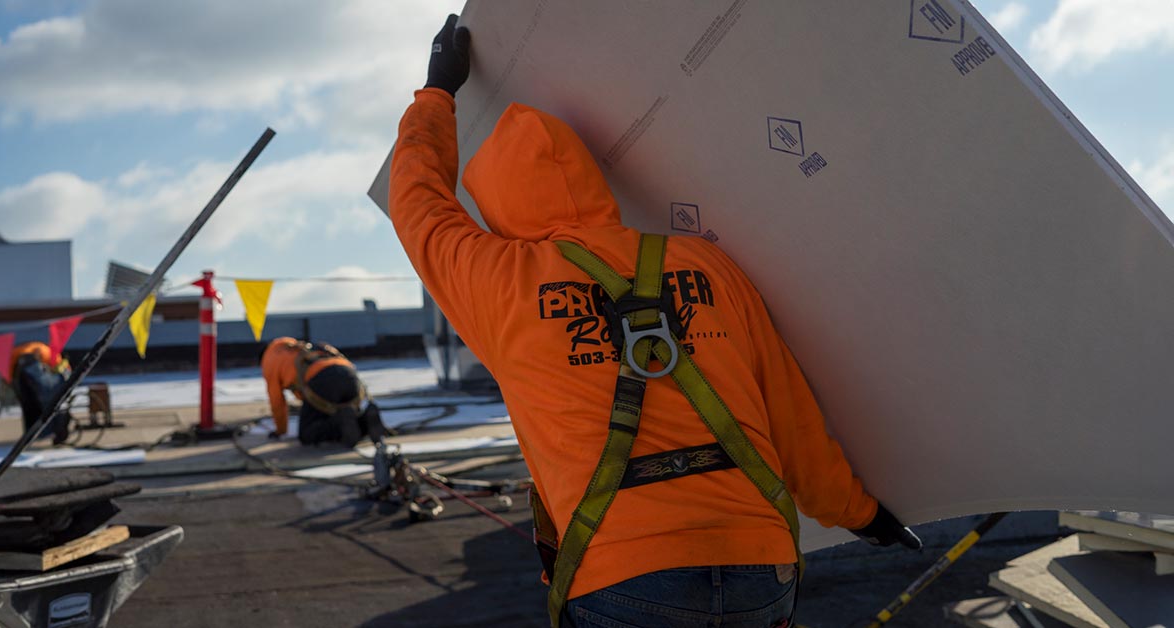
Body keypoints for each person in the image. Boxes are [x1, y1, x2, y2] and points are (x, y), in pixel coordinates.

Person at [388, 15, 921, 627]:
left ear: (498, 203)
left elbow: (418, 200)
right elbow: (790, 418)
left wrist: (437, 91)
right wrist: (863, 515)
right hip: (761, 567)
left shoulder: (497, 279)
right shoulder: (707, 263)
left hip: (621, 580)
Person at [260, 337, 385, 447]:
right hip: (348, 373)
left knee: (307, 434)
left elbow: (277, 400)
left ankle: (341, 420)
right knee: (336, 413)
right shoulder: (299, 347)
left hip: (321, 378)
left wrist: (280, 430)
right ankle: (367, 420)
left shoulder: (269, 358)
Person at [9, 341, 72, 444]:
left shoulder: (24, 350)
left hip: (21, 368)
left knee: (29, 404)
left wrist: (14, 384)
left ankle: (34, 433)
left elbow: (13, 373)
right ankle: (47, 430)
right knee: (48, 401)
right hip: (30, 363)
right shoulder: (54, 356)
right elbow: (56, 377)